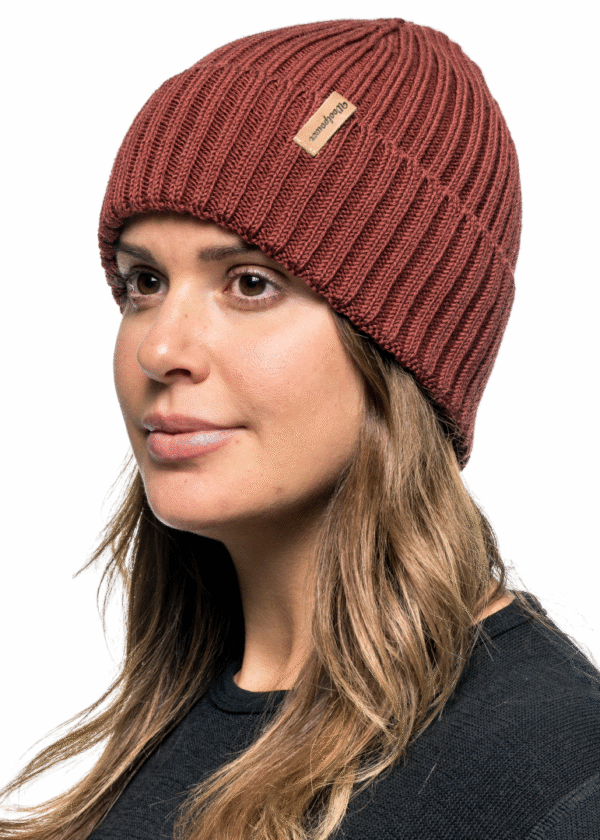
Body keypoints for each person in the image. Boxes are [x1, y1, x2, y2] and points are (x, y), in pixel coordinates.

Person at [1, 17, 598, 840]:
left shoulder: (556, 781)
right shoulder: (164, 740)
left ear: (400, 348)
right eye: (143, 281)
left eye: (250, 283)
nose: (159, 348)